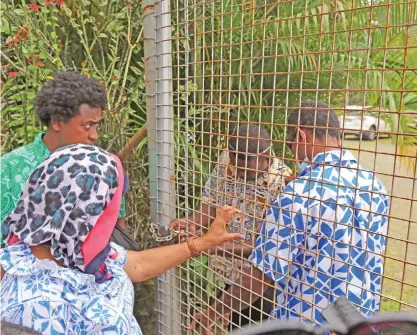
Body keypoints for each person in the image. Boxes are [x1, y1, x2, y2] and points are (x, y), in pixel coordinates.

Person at [190, 101, 389, 334]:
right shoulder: (374, 187)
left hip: (309, 324)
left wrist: (213, 312)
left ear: (302, 137)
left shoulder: (299, 194)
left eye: (290, 143)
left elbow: (261, 275)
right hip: (360, 323)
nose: (292, 152)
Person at [0, 144, 243, 335]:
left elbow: (137, 265)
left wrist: (202, 243)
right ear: (87, 209)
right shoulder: (37, 305)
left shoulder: (70, 247)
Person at [171, 123, 292, 327]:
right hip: (229, 273)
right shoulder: (228, 160)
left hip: (261, 285)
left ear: (266, 158)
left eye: (246, 164)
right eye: (234, 161)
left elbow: (263, 249)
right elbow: (211, 202)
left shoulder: (284, 185)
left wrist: (211, 246)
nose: (237, 170)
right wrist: (192, 223)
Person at [0, 71, 136, 251]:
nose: (94, 135)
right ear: (57, 122)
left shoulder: (102, 168)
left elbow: (117, 228)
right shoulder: (9, 169)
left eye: (97, 125)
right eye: (87, 126)